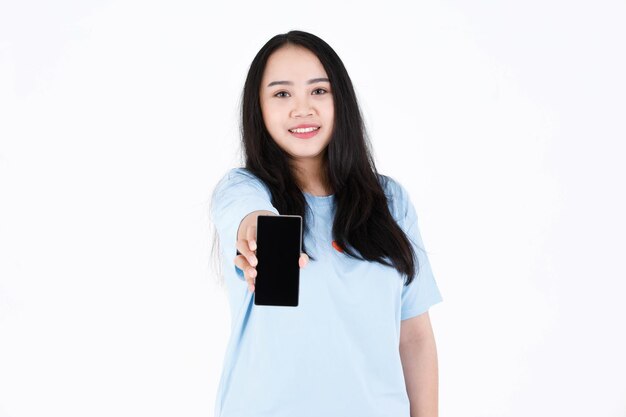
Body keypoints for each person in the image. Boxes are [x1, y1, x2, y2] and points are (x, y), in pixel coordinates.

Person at [209, 30, 443, 417]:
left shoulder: (390, 201)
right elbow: (247, 214)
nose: (303, 109)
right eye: (282, 94)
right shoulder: (243, 189)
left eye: (319, 91)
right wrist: (259, 230)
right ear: (259, 109)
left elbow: (414, 336)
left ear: (341, 101)